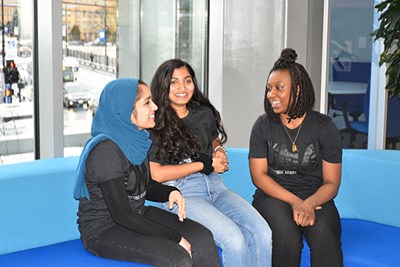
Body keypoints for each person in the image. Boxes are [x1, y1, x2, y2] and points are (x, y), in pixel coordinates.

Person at [73, 78, 220, 267]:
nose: (156, 107)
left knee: (202, 237)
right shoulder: (106, 151)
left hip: (137, 213)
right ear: (125, 110)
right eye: (147, 102)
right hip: (104, 229)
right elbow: (122, 215)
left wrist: (170, 192)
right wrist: (176, 238)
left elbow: (142, 185)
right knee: (177, 257)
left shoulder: (137, 138)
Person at [148, 59, 272, 267]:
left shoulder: (202, 113)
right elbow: (157, 174)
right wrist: (204, 165)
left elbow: (213, 138)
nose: (182, 88)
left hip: (215, 186)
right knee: (234, 241)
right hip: (182, 193)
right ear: (163, 86)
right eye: (174, 82)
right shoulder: (155, 122)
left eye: (187, 81)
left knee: (262, 233)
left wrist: (218, 149)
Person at [248, 48, 343, 267]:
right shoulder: (263, 126)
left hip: (317, 198)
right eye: (269, 89)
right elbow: (259, 176)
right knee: (287, 238)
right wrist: (295, 202)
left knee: (325, 237)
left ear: (298, 90)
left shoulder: (324, 127)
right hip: (273, 197)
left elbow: (332, 182)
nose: (271, 94)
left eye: (279, 88)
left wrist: (309, 203)